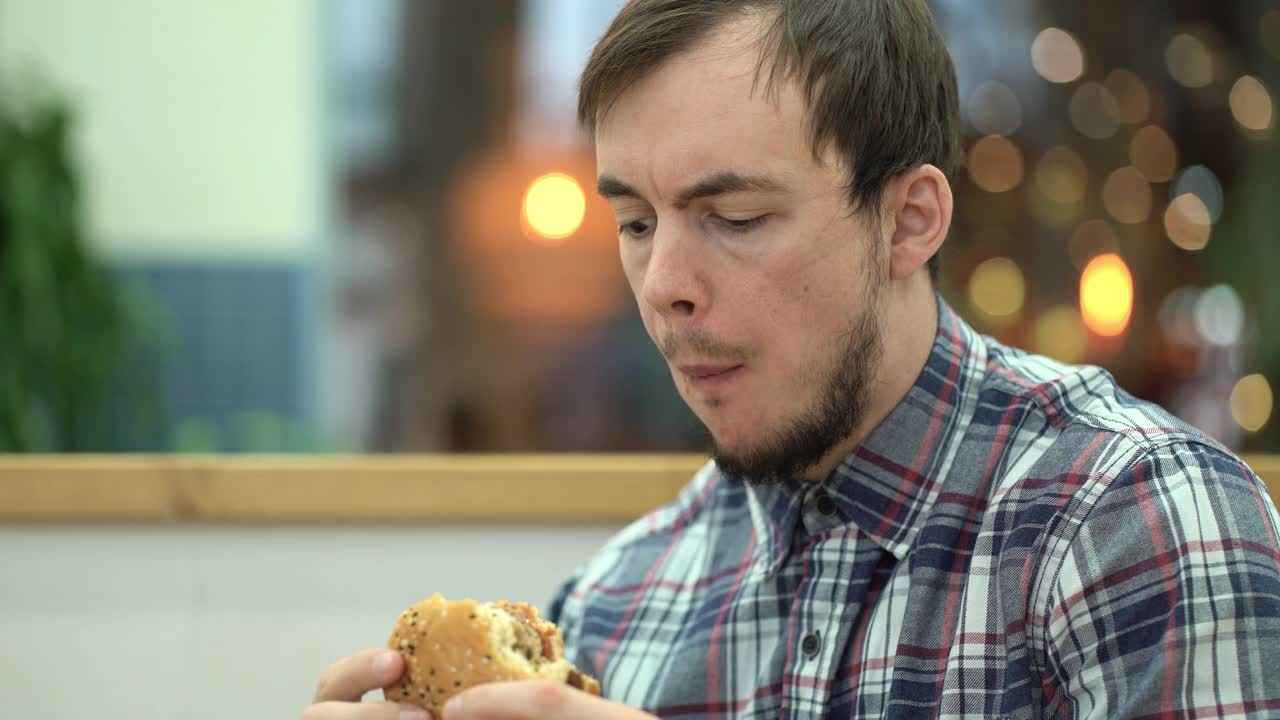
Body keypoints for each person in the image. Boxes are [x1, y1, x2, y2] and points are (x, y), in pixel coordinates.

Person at [304, 1, 1280, 718]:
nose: (662, 283)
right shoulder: (617, 603)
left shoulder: (1133, 523)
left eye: (732, 218)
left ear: (907, 223)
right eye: (635, 222)